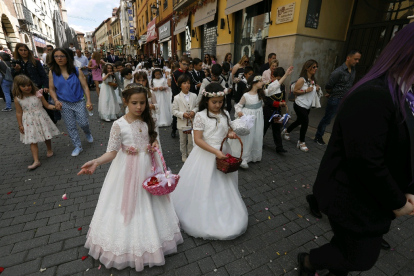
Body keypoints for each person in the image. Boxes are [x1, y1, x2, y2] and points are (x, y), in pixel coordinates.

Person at [298, 23, 414, 276]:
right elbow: (365, 160)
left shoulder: (403, 94)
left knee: (347, 250)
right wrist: (398, 201)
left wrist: (409, 189)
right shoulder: (374, 94)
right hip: (352, 198)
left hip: (371, 199)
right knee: (360, 259)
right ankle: (309, 261)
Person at [78, 85, 183, 272]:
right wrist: (96, 162)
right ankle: (127, 246)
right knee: (129, 203)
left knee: (151, 201)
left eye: (143, 102)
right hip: (127, 171)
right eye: (134, 103)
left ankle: (155, 239)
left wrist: (153, 147)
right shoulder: (119, 125)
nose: (139, 107)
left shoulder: (150, 120)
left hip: (149, 167)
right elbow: (111, 152)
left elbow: (155, 140)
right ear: (125, 102)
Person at [171, 82, 248, 239]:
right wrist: (215, 152)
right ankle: (201, 212)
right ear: (206, 101)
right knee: (205, 183)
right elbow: (198, 140)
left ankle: (225, 210)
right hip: (206, 153)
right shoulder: (200, 116)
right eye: (215, 102)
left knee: (223, 183)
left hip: (223, 152)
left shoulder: (225, 113)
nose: (218, 105)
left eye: (221, 102)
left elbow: (228, 128)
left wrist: (231, 134)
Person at [231, 73, 291, 169]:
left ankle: (254, 155)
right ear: (254, 83)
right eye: (260, 81)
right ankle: (244, 158)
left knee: (256, 134)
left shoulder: (261, 93)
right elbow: (238, 106)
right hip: (248, 118)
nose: (262, 82)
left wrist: (285, 75)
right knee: (248, 137)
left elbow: (274, 87)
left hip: (258, 118)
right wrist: (239, 112)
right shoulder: (246, 95)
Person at [48, 48, 94, 157]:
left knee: (83, 123)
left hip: (78, 101)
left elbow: (85, 86)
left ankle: (87, 132)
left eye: (62, 56)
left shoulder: (76, 70)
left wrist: (89, 100)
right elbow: (51, 89)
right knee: (71, 126)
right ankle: (77, 146)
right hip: (64, 103)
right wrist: (55, 100)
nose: (59, 58)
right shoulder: (52, 72)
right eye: (56, 56)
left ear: (67, 57)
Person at [314, 50, 361, 145]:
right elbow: (328, 86)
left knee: (342, 120)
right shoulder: (338, 72)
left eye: (358, 60)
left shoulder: (353, 70)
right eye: (355, 59)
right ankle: (318, 137)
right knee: (327, 120)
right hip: (336, 100)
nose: (357, 62)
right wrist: (334, 94)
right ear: (348, 57)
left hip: (346, 100)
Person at [13, 75, 60, 169]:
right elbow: (18, 112)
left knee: (46, 135)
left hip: (41, 117)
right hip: (28, 121)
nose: (27, 88)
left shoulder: (38, 94)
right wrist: (20, 125)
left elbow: (47, 105)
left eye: (28, 85)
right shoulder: (18, 99)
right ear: (18, 87)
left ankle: (49, 149)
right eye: (24, 86)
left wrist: (55, 107)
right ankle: (36, 160)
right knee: (32, 140)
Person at [282, 60, 321, 153]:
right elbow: (295, 91)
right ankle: (301, 142)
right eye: (314, 67)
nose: (316, 69)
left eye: (316, 67)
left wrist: (317, 88)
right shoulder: (302, 79)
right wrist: (306, 91)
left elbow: (312, 90)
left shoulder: (313, 79)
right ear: (307, 68)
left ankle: (286, 131)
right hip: (299, 104)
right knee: (305, 122)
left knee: (299, 121)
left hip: (307, 105)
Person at [263, 68, 291, 154]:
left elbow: (282, 97)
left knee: (277, 129)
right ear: (272, 76)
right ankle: (258, 143)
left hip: (277, 111)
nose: (280, 81)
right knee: (263, 128)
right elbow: (267, 100)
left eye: (281, 79)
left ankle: (279, 147)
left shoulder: (282, 86)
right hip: (268, 110)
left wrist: (283, 102)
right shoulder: (268, 86)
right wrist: (278, 104)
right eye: (278, 79)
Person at [172, 74, 197, 162]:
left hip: (192, 122)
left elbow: (197, 106)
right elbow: (174, 111)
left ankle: (190, 153)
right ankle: (184, 154)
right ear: (180, 85)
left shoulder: (194, 96)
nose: (187, 85)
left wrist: (193, 111)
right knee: (183, 140)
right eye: (185, 83)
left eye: (189, 83)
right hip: (182, 123)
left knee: (191, 140)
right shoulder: (177, 98)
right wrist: (182, 114)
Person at [170, 56, 192, 138]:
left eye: (187, 64)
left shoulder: (189, 74)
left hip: (188, 96)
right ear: (179, 63)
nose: (186, 66)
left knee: (187, 113)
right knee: (177, 115)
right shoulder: (175, 74)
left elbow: (191, 85)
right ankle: (174, 130)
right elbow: (174, 87)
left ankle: (188, 128)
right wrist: (178, 97)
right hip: (178, 97)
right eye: (184, 64)